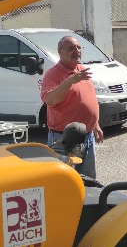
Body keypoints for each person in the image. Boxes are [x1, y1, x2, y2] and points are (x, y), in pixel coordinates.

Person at [40, 35, 103, 178]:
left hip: (87, 136)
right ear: (60, 52)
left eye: (79, 48)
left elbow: (86, 99)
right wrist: (70, 81)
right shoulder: (53, 74)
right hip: (64, 138)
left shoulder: (81, 70)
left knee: (88, 180)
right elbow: (49, 100)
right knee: (66, 180)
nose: (77, 51)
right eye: (71, 48)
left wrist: (95, 125)